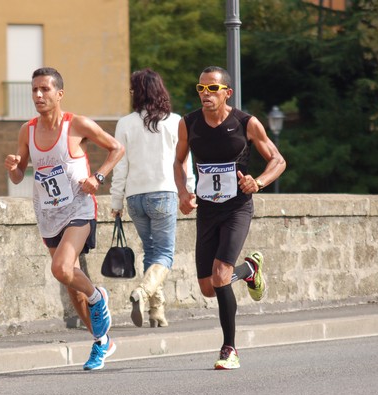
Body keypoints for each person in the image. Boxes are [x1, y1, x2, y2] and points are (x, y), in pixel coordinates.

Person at [4, 67, 125, 371]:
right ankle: (102, 342)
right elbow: (19, 177)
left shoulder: (77, 125)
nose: (38, 95)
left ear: (59, 94)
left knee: (61, 268)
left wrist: (98, 176)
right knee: (72, 286)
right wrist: (14, 166)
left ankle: (99, 297)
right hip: (47, 214)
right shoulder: (27, 131)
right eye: (34, 90)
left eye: (45, 89)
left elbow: (117, 148)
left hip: (78, 209)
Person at [173, 66, 286, 370]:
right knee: (208, 287)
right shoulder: (189, 124)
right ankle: (249, 269)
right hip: (208, 210)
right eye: (201, 89)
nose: (205, 95)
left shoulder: (246, 123)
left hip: (237, 207)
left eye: (212, 89)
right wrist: (183, 191)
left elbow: (278, 160)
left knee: (221, 275)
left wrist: (258, 182)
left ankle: (229, 349)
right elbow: (179, 161)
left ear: (227, 93)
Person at [110, 68, 193, 328]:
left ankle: (157, 311)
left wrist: (116, 202)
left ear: (138, 93)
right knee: (165, 254)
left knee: (152, 252)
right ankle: (143, 293)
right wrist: (189, 192)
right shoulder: (175, 121)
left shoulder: (125, 123)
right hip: (164, 193)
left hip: (135, 197)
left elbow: (119, 166)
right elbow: (184, 162)